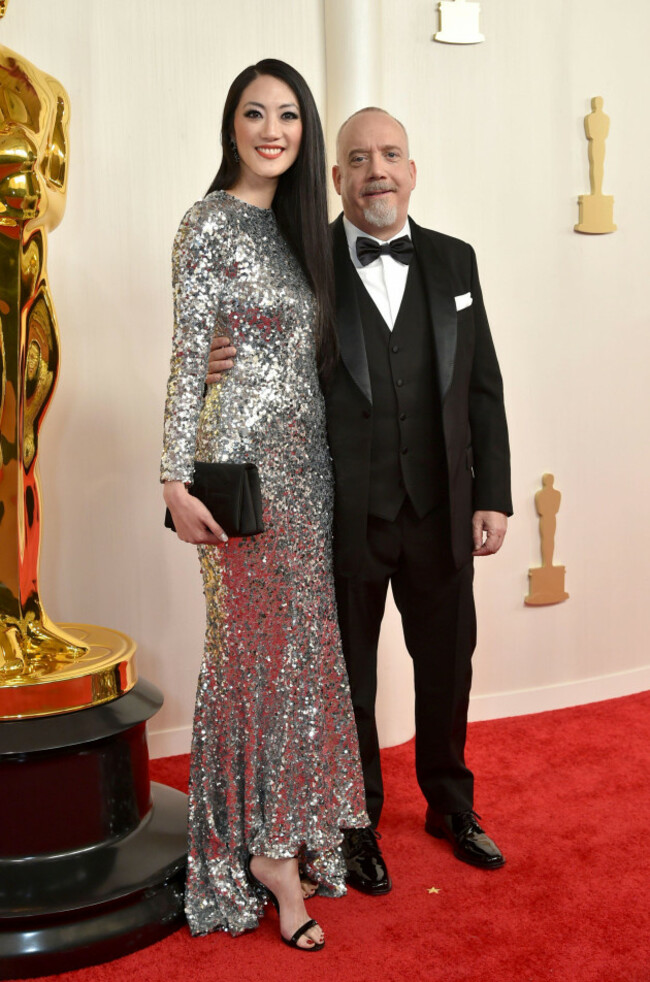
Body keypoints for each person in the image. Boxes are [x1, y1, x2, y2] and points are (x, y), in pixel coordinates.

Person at [207, 106, 512, 895]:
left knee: (448, 668)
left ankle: (452, 804)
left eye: (391, 155)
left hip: (443, 510)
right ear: (336, 178)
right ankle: (357, 823)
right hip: (342, 517)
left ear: (412, 171)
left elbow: (482, 389)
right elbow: (263, 368)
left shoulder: (456, 261)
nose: (377, 170)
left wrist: (497, 495)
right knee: (351, 684)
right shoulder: (305, 266)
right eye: (358, 158)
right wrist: (214, 361)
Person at [161, 60, 367, 950]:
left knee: (302, 659)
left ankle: (295, 831)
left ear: (304, 130)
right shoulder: (206, 222)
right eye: (255, 113)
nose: (272, 129)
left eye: (287, 115)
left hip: (306, 472)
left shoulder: (299, 233)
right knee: (251, 659)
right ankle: (261, 859)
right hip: (235, 470)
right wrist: (172, 478)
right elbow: (186, 357)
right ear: (231, 126)